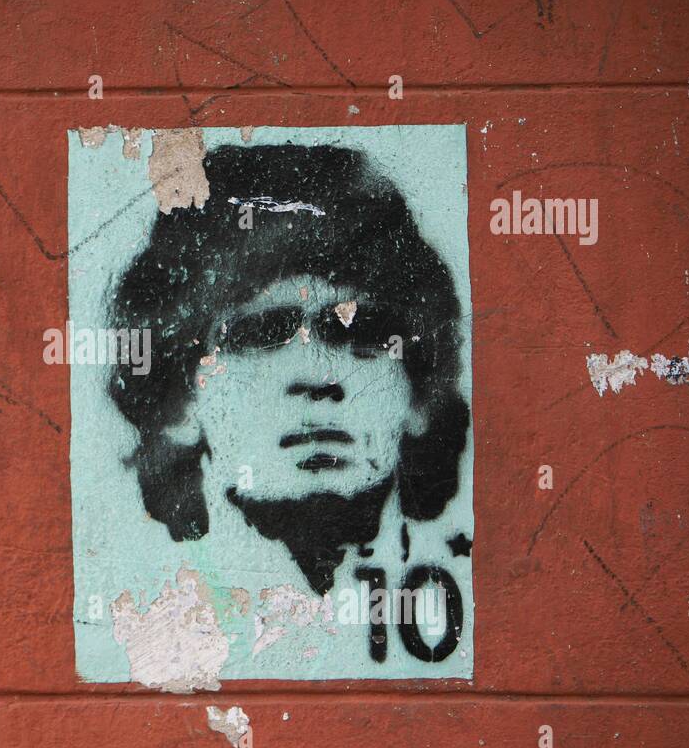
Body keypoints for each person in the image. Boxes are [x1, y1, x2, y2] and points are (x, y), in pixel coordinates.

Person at [106, 143, 470, 663]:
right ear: (180, 400)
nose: (317, 379)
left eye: (359, 332)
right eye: (260, 334)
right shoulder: (149, 617)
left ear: (418, 394)